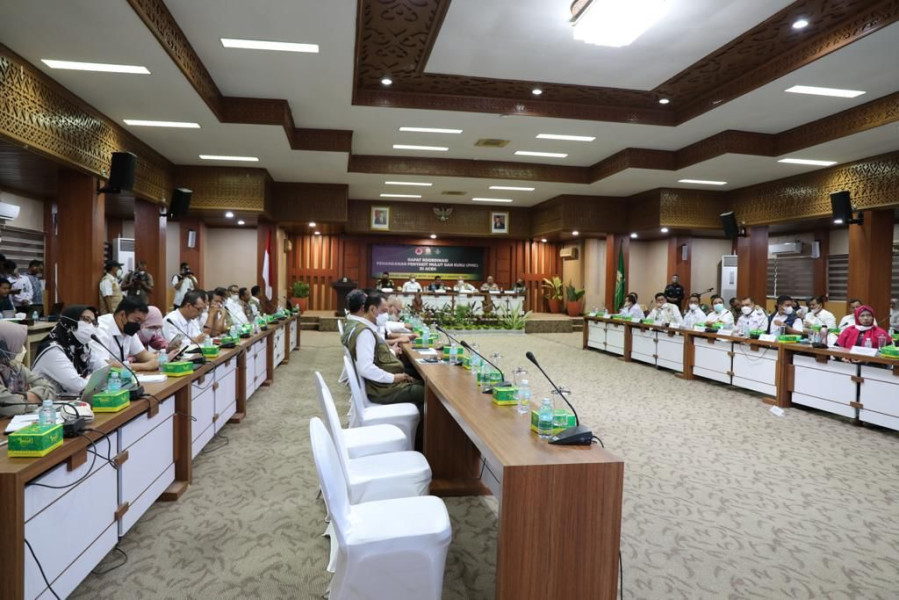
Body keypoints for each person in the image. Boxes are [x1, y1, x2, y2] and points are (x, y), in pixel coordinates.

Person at [345, 293, 424, 444]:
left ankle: (419, 439)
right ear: (372, 309)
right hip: (381, 389)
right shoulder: (364, 333)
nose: (386, 315)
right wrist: (395, 377)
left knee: (420, 382)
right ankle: (421, 444)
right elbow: (365, 368)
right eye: (384, 311)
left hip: (380, 384)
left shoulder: (364, 327)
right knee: (428, 393)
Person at [32, 305, 106, 394]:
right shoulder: (53, 350)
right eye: (86, 319)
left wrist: (100, 375)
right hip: (47, 404)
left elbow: (102, 367)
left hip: (68, 402)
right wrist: (97, 377)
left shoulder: (81, 347)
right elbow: (78, 386)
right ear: (70, 321)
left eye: (93, 322)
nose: (90, 326)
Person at [0, 321, 57, 417]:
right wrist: (37, 399)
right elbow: (14, 407)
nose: (21, 349)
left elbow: (50, 389)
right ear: (2, 346)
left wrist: (24, 397)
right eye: (18, 344)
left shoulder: (14, 366)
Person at [92, 298, 159, 372]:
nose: (138, 325)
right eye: (137, 320)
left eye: (141, 322)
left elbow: (142, 354)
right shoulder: (100, 328)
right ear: (122, 315)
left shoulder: (127, 328)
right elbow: (105, 365)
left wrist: (160, 359)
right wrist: (145, 366)